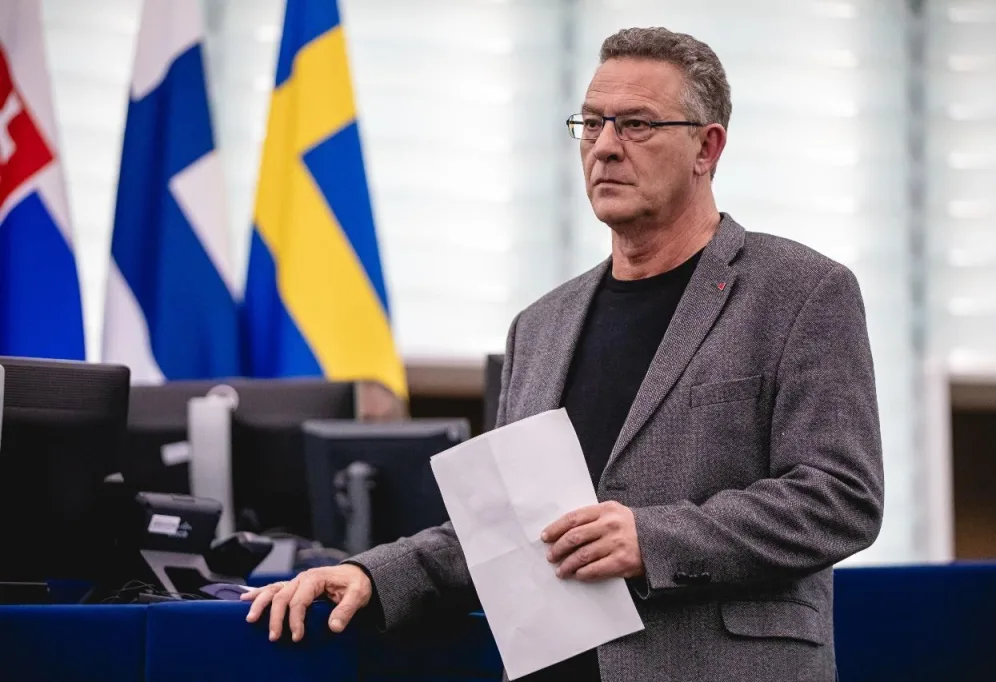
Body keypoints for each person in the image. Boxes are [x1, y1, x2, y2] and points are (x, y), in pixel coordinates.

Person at [243, 26, 884, 682]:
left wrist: (652, 540)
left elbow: (840, 497)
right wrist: (372, 574)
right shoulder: (539, 328)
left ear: (707, 146)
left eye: (636, 124)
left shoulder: (802, 292)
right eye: (592, 123)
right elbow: (504, 531)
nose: (604, 146)